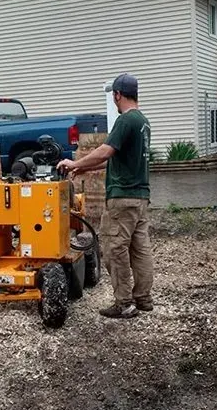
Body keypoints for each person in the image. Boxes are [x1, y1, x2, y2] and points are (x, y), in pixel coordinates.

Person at [58, 73, 153, 319]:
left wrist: (73, 162)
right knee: (140, 249)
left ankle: (124, 303)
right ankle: (143, 298)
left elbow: (105, 151)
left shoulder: (125, 121)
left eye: (114, 94)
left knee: (114, 249)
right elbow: (117, 160)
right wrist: (84, 168)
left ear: (117, 94)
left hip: (121, 199)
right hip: (140, 198)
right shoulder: (143, 121)